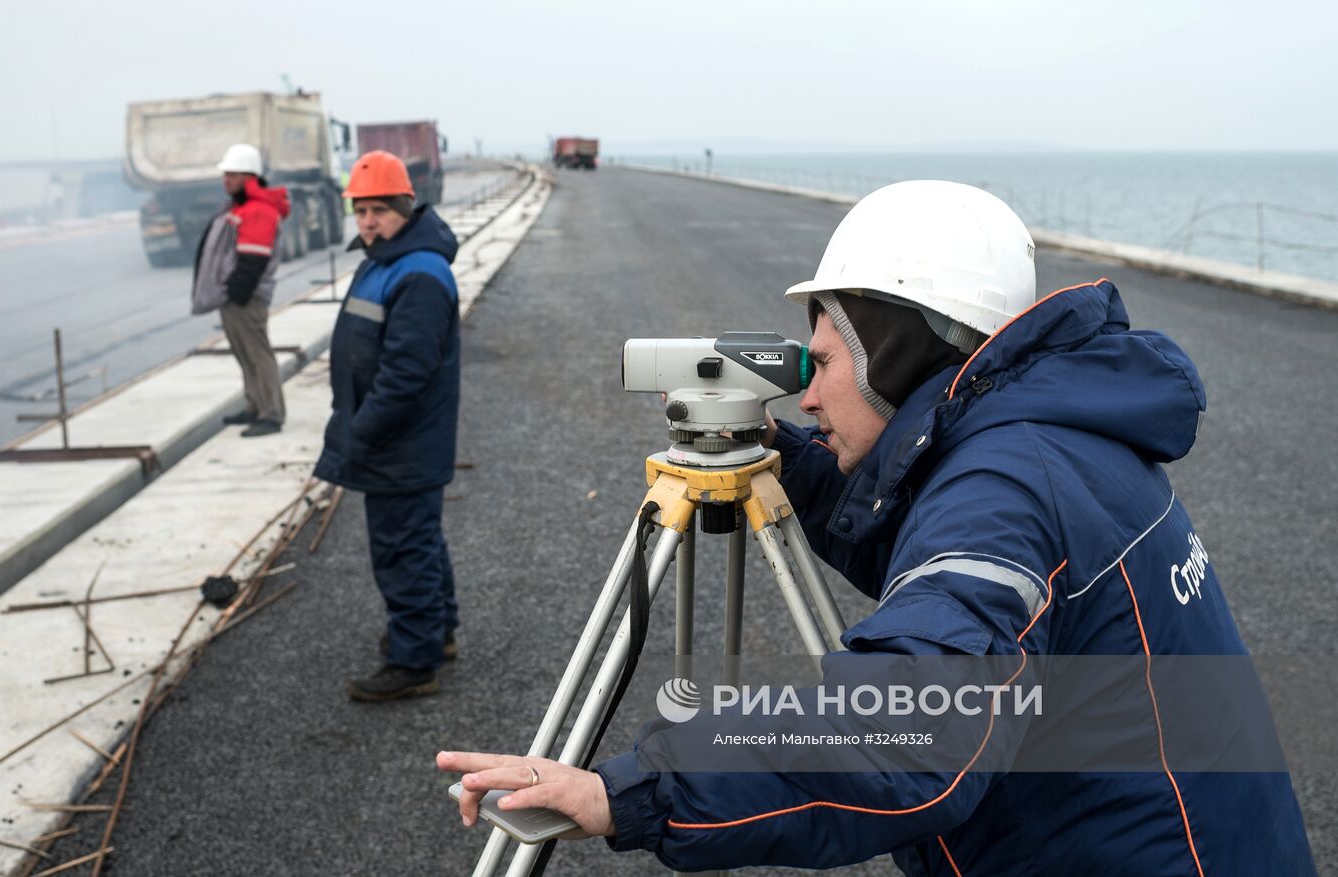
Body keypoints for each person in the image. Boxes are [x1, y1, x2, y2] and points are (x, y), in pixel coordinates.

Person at [438, 181, 1316, 874]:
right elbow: (939, 567)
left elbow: (909, 728)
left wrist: (626, 790)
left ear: (897, 351)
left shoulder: (1005, 488)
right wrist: (794, 467)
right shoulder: (1041, 432)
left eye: (824, 362)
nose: (808, 395)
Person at [313, 150, 462, 702]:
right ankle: (435, 634)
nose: (368, 221)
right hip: (394, 438)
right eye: (360, 210)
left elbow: (406, 374)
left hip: (400, 440)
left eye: (379, 209)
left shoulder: (419, 272)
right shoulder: (387, 259)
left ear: (405, 207)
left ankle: (414, 662)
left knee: (402, 548)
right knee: (418, 540)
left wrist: (363, 430)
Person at [192, 142, 290, 437]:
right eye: (226, 175)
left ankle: (271, 414)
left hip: (246, 298)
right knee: (245, 354)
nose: (226, 181)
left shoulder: (258, 210)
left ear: (249, 177)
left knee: (257, 354)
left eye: (232, 175)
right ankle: (255, 405)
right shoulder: (243, 206)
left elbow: (253, 259)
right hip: (236, 297)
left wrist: (236, 294)